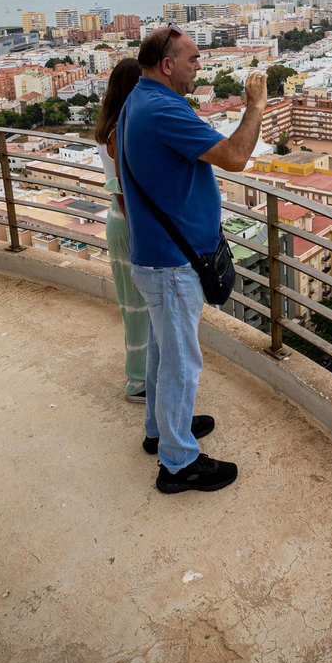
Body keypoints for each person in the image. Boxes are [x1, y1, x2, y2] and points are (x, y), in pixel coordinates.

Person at [118, 24, 266, 494]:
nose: (198, 67)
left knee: (165, 354)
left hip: (157, 256)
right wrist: (255, 105)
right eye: (193, 60)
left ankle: (160, 431)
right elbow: (236, 156)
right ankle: (178, 464)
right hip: (171, 264)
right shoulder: (162, 110)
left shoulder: (137, 101)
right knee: (182, 363)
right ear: (167, 64)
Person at [92, 58, 149, 404]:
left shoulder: (107, 127)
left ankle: (139, 376)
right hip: (128, 222)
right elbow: (123, 191)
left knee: (133, 306)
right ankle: (138, 381)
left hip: (116, 221)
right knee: (140, 306)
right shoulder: (121, 131)